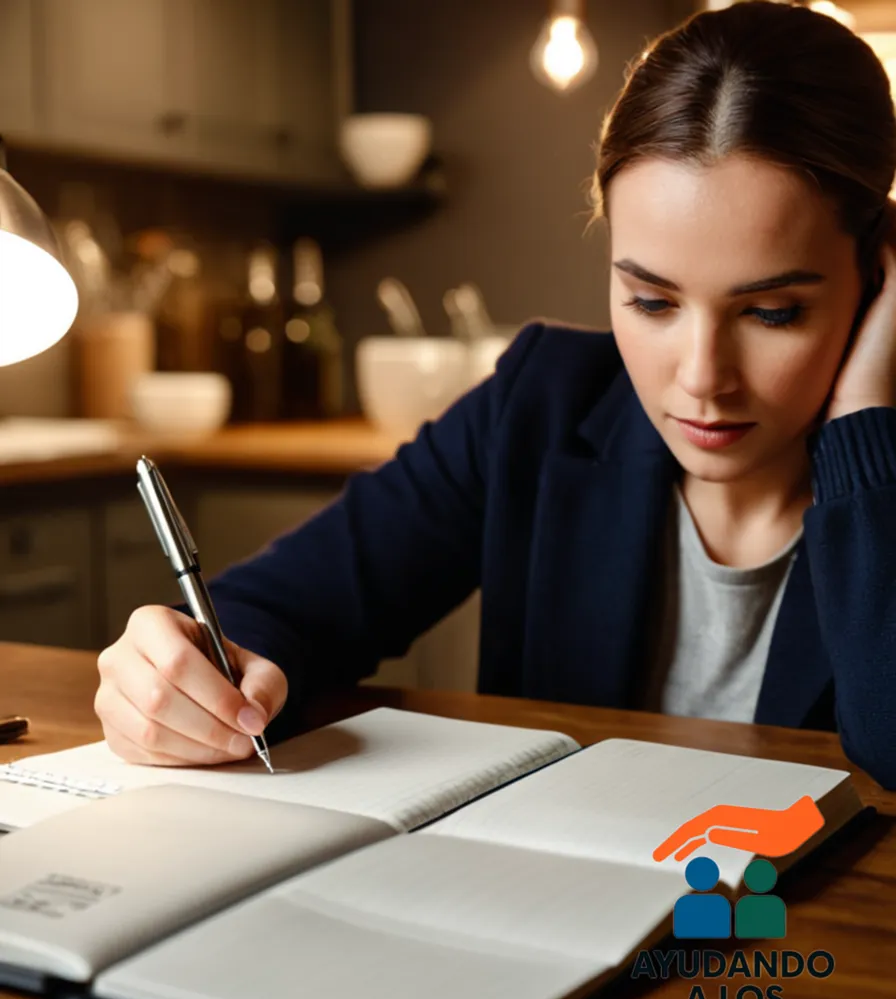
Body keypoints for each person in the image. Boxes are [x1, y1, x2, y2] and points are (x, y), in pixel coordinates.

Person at [94, 1, 896, 789]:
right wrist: (174, 674)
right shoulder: (544, 402)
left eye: (772, 312)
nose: (701, 376)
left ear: (876, 272)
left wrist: (867, 418)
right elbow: (279, 609)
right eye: (652, 301)